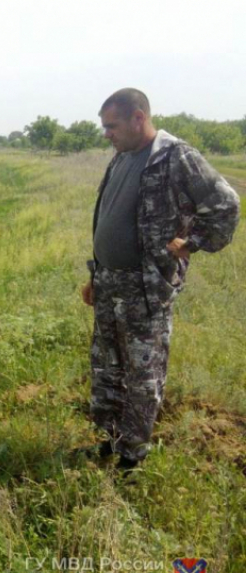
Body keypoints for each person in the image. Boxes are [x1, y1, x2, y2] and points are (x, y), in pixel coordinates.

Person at [82, 88, 240, 471]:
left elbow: (226, 204)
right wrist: (96, 275)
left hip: (145, 289)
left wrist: (194, 242)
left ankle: (131, 457)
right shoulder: (122, 157)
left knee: (142, 374)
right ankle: (109, 439)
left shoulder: (175, 156)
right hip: (109, 283)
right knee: (107, 367)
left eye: (112, 126)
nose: (107, 134)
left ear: (138, 118)